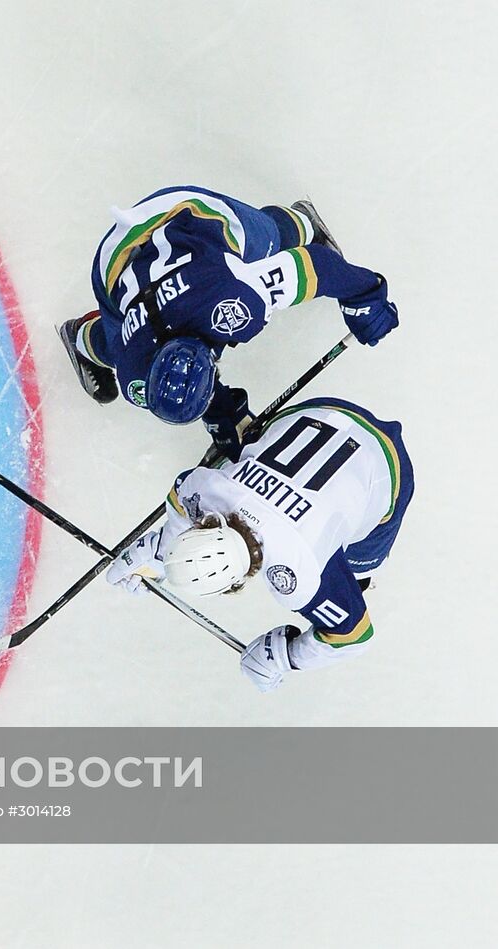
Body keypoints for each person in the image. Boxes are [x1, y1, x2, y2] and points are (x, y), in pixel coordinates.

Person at [59, 186, 399, 459]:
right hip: (115, 260)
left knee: (265, 237)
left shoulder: (234, 299)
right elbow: (153, 362)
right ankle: (78, 337)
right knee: (119, 344)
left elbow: (319, 266)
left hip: (184, 217)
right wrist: (224, 414)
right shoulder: (138, 383)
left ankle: (304, 222)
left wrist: (366, 296)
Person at [104, 397, 414, 693]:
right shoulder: (206, 489)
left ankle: (359, 575)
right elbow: (182, 494)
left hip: (387, 466)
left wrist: (288, 657)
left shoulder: (299, 573)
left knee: (359, 566)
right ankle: (239, 425)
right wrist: (162, 552)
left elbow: (354, 636)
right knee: (247, 455)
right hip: (321, 411)